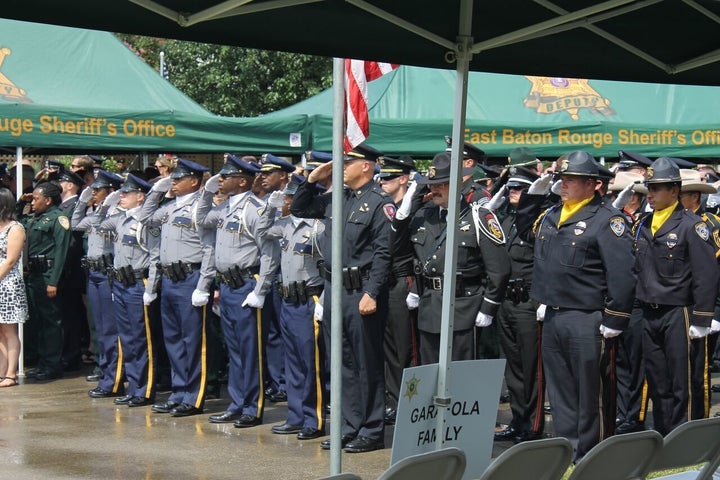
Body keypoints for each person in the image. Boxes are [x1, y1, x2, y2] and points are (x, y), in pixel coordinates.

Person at [519, 150, 636, 461]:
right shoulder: (552, 215)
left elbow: (623, 274)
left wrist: (615, 318)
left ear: (593, 185)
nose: (564, 185)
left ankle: (593, 453)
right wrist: (532, 198)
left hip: (588, 318)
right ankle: (568, 449)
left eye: (571, 180)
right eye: (562, 179)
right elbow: (523, 233)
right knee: (560, 390)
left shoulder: (607, 221)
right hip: (555, 314)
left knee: (591, 391)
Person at [291, 143, 392, 454]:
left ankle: (372, 429)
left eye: (349, 161)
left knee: (367, 363)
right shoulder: (339, 198)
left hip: (361, 291)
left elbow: (383, 253)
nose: (342, 166)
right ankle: (348, 426)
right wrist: (310, 180)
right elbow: (300, 209)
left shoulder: (379, 203)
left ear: (367, 166)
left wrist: (372, 292)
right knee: (342, 362)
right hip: (335, 290)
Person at [405, 152, 510, 364]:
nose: (434, 189)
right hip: (430, 309)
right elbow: (401, 252)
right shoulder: (425, 216)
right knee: (431, 376)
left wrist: (488, 307)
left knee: (462, 380)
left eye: (441, 184)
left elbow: (499, 269)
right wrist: (407, 209)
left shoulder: (479, 216)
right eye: (431, 184)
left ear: (456, 185)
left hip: (465, 309)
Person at [195, 155, 276, 427]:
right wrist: (206, 193)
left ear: (242, 181)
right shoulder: (226, 207)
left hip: (246, 284)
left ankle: (253, 407)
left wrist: (261, 289)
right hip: (228, 285)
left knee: (250, 349)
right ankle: (237, 402)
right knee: (235, 350)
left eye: (226, 177)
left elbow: (268, 253)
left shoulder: (254, 209)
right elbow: (202, 218)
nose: (221, 180)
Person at [138, 158, 215, 417]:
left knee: (192, 341)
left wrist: (204, 285)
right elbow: (145, 217)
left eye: (178, 179)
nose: (174, 182)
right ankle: (179, 391)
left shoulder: (200, 208)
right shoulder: (170, 207)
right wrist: (157, 190)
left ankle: (193, 396)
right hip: (170, 279)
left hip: (190, 278)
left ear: (193, 181)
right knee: (173, 340)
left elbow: (208, 249)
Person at [264, 173, 326, 439]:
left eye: (290, 196)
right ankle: (296, 415)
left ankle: (314, 419)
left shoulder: (319, 227)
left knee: (310, 362)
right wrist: (269, 207)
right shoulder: (285, 224)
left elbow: (329, 267)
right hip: (288, 299)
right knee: (292, 363)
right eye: (287, 196)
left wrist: (323, 300)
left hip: (309, 299)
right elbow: (260, 232)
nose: (287, 200)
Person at [489, 162, 546, 444]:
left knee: (531, 367)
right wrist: (497, 192)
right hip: (506, 301)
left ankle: (534, 425)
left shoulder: (537, 220)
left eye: (519, 188)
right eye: (510, 187)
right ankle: (518, 419)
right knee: (513, 368)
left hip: (528, 301)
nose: (512, 192)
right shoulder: (503, 218)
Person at [71, 170, 126, 398]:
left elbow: (103, 227)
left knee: (111, 330)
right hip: (94, 274)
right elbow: (76, 224)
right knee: (101, 330)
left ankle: (114, 379)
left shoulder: (117, 214)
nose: (93, 193)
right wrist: (83, 200)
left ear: (111, 192)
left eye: (97, 190)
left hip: (108, 274)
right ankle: (106, 374)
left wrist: (103, 207)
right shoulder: (96, 212)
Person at [672, 168, 720, 420]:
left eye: (682, 194)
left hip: (700, 307)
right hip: (676, 306)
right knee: (675, 372)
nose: (677, 198)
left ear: (695, 197)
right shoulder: (670, 221)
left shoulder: (710, 224)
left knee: (698, 372)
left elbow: (715, 272)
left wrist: (713, 312)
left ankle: (698, 422)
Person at [377, 155, 419, 425]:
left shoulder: (413, 207)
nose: (383, 182)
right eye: (381, 177)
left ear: (404, 179)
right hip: (384, 281)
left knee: (406, 347)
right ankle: (393, 400)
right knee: (388, 347)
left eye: (389, 177)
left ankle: (409, 402)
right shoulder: (383, 206)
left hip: (404, 280)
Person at [607, 170, 650, 434]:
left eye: (617, 194)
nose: (613, 198)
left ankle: (636, 415)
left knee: (636, 364)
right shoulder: (615, 220)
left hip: (635, 301)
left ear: (633, 197)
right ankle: (623, 412)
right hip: (614, 301)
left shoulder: (642, 223)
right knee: (619, 362)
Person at [22, 181, 72, 382]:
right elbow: (18, 219)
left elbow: (61, 252)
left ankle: (53, 365)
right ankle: (42, 362)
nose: (33, 202)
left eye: (36, 198)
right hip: (34, 275)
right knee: (38, 322)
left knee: (51, 322)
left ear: (48, 200)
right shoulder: (36, 218)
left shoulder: (58, 219)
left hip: (48, 275)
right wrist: (21, 201)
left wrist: (54, 281)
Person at [256, 154, 295, 403]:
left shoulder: (294, 193)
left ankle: (286, 382)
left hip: (291, 274)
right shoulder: (268, 201)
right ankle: (276, 379)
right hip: (271, 273)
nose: (263, 177)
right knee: (271, 332)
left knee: (287, 333)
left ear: (282, 175)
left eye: (269, 173)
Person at [57, 169, 88, 372]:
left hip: (71, 268)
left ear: (69, 185)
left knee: (71, 314)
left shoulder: (74, 206)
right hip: (65, 269)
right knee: (65, 314)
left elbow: (71, 241)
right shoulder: (63, 206)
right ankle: (67, 352)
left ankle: (72, 354)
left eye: (61, 181)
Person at [0, 188, 28, 387]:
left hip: (8, 284)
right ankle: (2, 371)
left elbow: (10, 260)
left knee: (10, 331)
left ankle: (11, 373)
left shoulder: (15, 228)